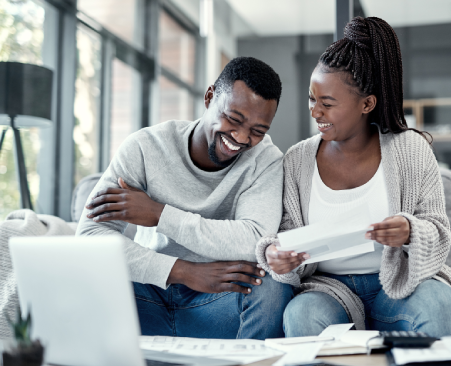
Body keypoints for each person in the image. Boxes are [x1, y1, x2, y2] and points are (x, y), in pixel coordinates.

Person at [255, 17, 451, 338]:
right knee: (302, 312)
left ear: (367, 104)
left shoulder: (411, 149)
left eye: (327, 103)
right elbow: (287, 234)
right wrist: (278, 256)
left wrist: (410, 231)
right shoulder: (297, 159)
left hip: (402, 282)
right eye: (312, 99)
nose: (315, 111)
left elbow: (439, 232)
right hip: (328, 288)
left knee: (437, 303)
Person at [77, 57, 293, 339]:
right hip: (146, 294)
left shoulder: (265, 160)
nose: (240, 138)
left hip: (215, 304)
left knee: (273, 287)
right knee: (81, 275)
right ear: (209, 97)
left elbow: (255, 239)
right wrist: (182, 271)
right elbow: (91, 233)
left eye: (257, 131)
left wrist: (159, 214)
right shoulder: (145, 148)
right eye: (233, 119)